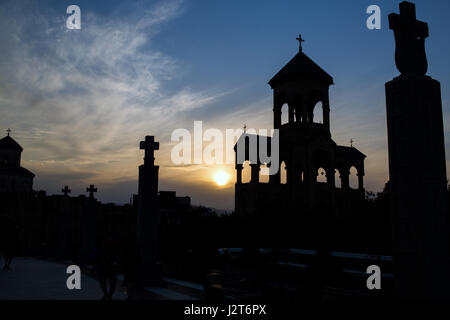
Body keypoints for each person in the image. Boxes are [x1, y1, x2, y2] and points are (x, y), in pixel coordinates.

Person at [97, 235, 121, 300]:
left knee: (103, 280)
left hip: (106, 264)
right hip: (111, 264)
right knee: (111, 281)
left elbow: (100, 253)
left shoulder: (105, 243)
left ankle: (107, 294)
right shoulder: (116, 244)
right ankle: (108, 295)